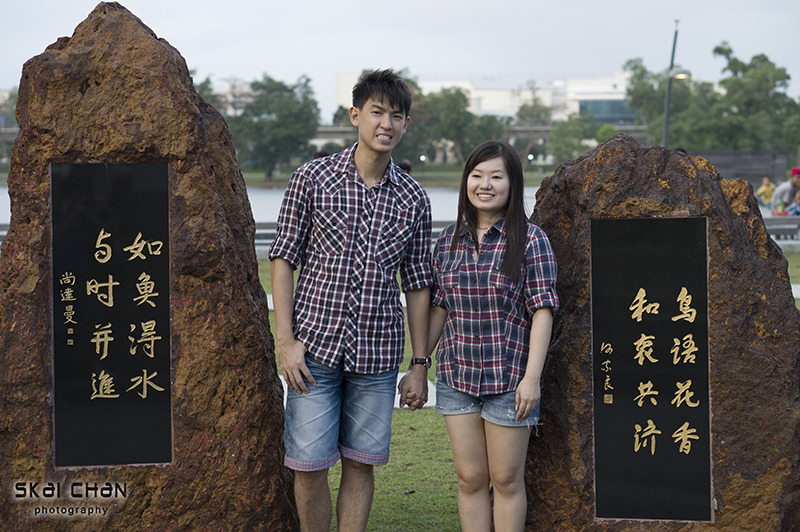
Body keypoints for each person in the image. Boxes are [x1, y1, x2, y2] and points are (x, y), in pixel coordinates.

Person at [269, 69, 432, 532]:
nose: (387, 123)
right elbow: (284, 257)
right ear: (355, 115)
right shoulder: (313, 178)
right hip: (313, 351)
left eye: (397, 116)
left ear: (405, 126)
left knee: (361, 464)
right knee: (309, 465)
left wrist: (419, 364)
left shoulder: (414, 198)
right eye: (378, 112)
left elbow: (418, 283)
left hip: (377, 357)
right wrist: (286, 340)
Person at [412, 140, 558, 531]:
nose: (485, 184)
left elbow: (542, 312)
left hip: (509, 380)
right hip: (457, 377)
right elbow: (440, 307)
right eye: (477, 175)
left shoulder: (531, 240)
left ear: (512, 184)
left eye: (496, 176)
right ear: (466, 182)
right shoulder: (447, 242)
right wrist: (419, 362)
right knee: (470, 479)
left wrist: (531, 380)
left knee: (507, 480)